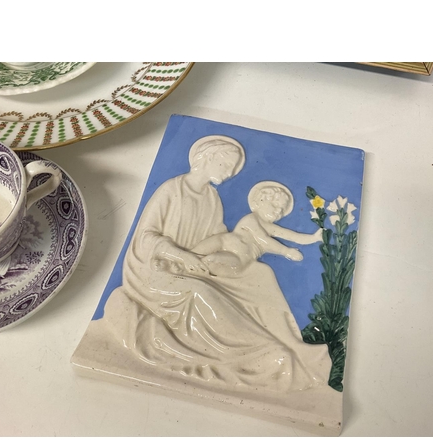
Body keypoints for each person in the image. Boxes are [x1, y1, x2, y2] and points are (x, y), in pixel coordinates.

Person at [94, 135, 327, 393]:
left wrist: (231, 247)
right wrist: (182, 257)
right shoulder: (171, 190)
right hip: (155, 270)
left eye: (233, 168)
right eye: (227, 165)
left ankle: (291, 342)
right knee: (200, 291)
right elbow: (146, 237)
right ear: (208, 158)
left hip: (196, 262)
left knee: (261, 274)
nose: (230, 173)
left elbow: (216, 236)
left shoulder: (211, 197)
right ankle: (258, 352)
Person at [191, 181, 323, 278]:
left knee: (212, 261)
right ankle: (189, 258)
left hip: (240, 258)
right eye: (275, 205)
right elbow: (263, 239)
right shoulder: (251, 219)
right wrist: (286, 251)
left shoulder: (271, 227)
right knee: (201, 250)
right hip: (224, 242)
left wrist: (314, 238)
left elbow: (293, 236)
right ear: (260, 201)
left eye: (282, 209)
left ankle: (197, 269)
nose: (279, 211)